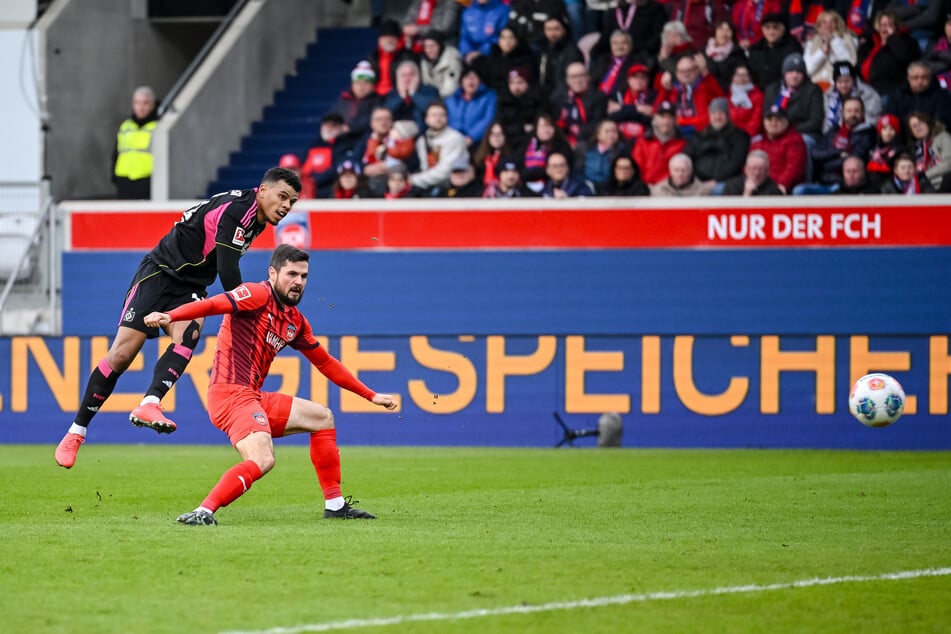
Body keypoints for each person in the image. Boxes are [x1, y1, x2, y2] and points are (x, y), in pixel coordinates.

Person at [54, 167, 303, 469]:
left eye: (292, 201)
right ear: (263, 190)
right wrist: (249, 310)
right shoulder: (240, 211)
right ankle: (76, 432)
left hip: (191, 286)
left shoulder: (256, 219)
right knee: (121, 355)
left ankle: (150, 403)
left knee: (189, 335)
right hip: (159, 273)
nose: (286, 206)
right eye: (282, 197)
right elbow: (227, 271)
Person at [143, 245, 398, 526]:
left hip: (252, 397)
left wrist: (370, 395)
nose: (298, 282)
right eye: (291, 274)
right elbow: (215, 304)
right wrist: (172, 316)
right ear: (273, 273)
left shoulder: (295, 321)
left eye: (303, 276)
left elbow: (325, 363)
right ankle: (203, 511)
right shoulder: (257, 294)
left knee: (322, 417)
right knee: (263, 458)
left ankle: (335, 506)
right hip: (229, 395)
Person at [654, 51, 725, 138]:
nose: (686, 74)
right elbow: (656, 112)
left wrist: (706, 74)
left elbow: (721, 102)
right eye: (681, 71)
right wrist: (664, 90)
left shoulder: (705, 86)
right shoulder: (671, 89)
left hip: (701, 134)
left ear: (697, 70)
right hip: (676, 133)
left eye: (690, 70)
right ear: (676, 73)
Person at [684, 97, 750, 187]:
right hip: (698, 182)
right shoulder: (698, 137)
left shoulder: (740, 137)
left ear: (727, 115)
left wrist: (717, 180)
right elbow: (687, 159)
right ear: (709, 115)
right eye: (714, 113)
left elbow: (736, 163)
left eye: (721, 113)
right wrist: (696, 180)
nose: (717, 117)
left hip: (726, 183)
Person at [858, 9, 922, 98]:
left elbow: (903, 55)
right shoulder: (870, 44)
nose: (887, 29)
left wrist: (892, 38)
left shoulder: (906, 41)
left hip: (890, 92)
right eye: (883, 25)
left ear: (896, 27)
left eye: (890, 25)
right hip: (866, 90)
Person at [409, 100, 469, 194]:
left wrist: (413, 179)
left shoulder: (455, 138)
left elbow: (445, 172)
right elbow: (424, 167)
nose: (438, 118)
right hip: (427, 186)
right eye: (434, 115)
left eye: (442, 115)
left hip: (450, 188)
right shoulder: (422, 140)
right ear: (426, 119)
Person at [327, 61, 384, 154]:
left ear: (373, 85)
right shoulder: (344, 99)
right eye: (358, 83)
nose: (361, 87)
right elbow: (332, 116)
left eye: (366, 83)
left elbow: (371, 119)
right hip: (341, 139)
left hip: (364, 140)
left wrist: (348, 128)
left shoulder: (378, 101)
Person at [113, 86, 158, 200]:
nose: (140, 108)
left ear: (153, 104)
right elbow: (116, 153)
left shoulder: (158, 127)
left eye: (145, 103)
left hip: (147, 182)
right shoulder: (126, 126)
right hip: (124, 181)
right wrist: (115, 177)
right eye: (137, 103)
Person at [749, 105, 807, 193]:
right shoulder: (757, 143)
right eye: (770, 119)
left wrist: (782, 184)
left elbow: (794, 169)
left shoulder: (795, 140)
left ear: (786, 122)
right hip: (759, 186)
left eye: (778, 120)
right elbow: (748, 167)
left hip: (781, 188)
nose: (773, 123)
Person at [552, 61, 608, 147]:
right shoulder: (558, 98)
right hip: (563, 142)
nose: (578, 80)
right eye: (573, 77)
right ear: (567, 80)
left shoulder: (598, 97)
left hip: (589, 141)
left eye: (581, 76)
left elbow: (597, 124)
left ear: (588, 77)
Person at [632, 101, 688, 186]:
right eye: (662, 117)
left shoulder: (683, 143)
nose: (666, 121)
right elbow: (636, 168)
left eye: (670, 117)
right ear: (655, 118)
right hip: (645, 187)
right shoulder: (642, 142)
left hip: (671, 189)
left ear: (675, 120)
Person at [885, 61, 951, 131]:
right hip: (904, 134)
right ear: (908, 78)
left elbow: (941, 121)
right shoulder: (897, 95)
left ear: (930, 78)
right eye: (915, 78)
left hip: (932, 134)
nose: (920, 81)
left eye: (924, 77)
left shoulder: (941, 95)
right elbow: (889, 119)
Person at [802, 9, 859, 90]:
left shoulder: (848, 40)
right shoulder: (811, 42)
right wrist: (823, 52)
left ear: (838, 24)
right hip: (815, 87)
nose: (828, 25)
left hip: (840, 87)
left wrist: (833, 40)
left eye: (832, 22)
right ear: (818, 27)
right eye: (824, 23)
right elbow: (807, 69)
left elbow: (849, 63)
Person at [822, 60, 883, 133]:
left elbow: (873, 120)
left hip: (862, 133)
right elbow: (825, 123)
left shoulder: (868, 94)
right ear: (835, 83)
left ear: (853, 80)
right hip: (834, 135)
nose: (843, 85)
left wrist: (849, 126)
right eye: (840, 82)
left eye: (847, 81)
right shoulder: (828, 95)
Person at [475, 24, 537, 94]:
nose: (507, 41)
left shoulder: (525, 60)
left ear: (517, 40)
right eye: (503, 37)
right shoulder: (492, 58)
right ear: (498, 41)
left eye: (511, 37)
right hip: (490, 95)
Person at [746, 13, 803, 89]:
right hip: (758, 92)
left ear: (784, 28)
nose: (771, 32)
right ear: (762, 29)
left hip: (785, 92)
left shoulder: (793, 48)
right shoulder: (755, 49)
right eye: (767, 27)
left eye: (775, 27)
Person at [446, 64, 498, 147]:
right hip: (452, 140)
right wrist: (454, 137)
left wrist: (472, 137)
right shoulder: (451, 99)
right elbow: (446, 120)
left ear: (480, 81)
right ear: (461, 82)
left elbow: (488, 119)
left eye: (474, 77)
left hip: (478, 141)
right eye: (467, 77)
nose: (470, 81)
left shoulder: (489, 97)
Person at [520, 112, 575, 190]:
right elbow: (519, 167)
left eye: (549, 126)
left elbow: (556, 171)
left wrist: (530, 173)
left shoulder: (562, 146)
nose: (546, 130)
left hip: (551, 188)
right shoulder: (528, 143)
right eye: (542, 126)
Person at [495, 65, 546, 151]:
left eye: (520, 82)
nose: (516, 86)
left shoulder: (537, 101)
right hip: (508, 144)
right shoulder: (503, 102)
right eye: (512, 83)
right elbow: (500, 123)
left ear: (528, 83)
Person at [383, 59, 441, 132]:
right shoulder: (392, 94)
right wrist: (401, 96)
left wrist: (413, 94)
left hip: (425, 131)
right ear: (397, 79)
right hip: (396, 131)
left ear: (418, 76)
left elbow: (430, 109)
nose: (407, 79)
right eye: (403, 75)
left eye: (411, 75)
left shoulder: (429, 90)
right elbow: (386, 113)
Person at [300, 113, 349, 199]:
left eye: (333, 125)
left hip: (330, 188)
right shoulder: (313, 145)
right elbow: (301, 164)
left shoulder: (344, 145)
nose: (329, 128)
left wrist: (314, 180)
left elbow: (336, 168)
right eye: (326, 125)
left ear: (342, 127)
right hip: (308, 187)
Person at [606, 63, 657, 144]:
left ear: (647, 80)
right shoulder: (619, 94)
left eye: (642, 77)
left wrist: (622, 109)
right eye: (635, 77)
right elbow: (612, 116)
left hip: (644, 139)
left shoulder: (653, 96)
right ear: (628, 80)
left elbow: (650, 119)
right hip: (619, 138)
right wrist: (638, 109)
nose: (638, 81)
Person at [575, 119, 630, 194]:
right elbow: (577, 171)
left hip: (611, 188)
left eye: (614, 131)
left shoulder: (622, 150)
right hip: (587, 186)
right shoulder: (584, 148)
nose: (611, 135)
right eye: (607, 131)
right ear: (598, 134)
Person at [538, 15, 585, 96]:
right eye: (548, 29)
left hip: (564, 96)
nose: (552, 33)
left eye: (556, 29)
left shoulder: (572, 52)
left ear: (564, 30)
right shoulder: (544, 50)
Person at [367, 19, 416, 97]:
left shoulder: (407, 57)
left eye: (392, 37)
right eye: (385, 36)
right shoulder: (372, 57)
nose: (389, 40)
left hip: (398, 96)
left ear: (398, 40)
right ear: (379, 40)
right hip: (375, 97)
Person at [907, 110, 951, 191]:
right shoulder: (914, 148)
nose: (918, 127)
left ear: (928, 123)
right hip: (923, 186)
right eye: (914, 126)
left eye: (920, 123)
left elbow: (949, 163)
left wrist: (925, 175)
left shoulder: (943, 137)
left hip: (942, 182)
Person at [704, 19, 748, 91]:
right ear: (715, 32)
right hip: (706, 89)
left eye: (728, 30)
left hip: (728, 91)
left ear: (732, 34)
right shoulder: (705, 50)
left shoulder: (737, 52)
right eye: (721, 29)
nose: (724, 34)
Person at [720, 149, 785, 196]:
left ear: (767, 171)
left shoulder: (774, 190)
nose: (757, 173)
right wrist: (747, 193)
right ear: (746, 169)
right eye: (753, 168)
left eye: (761, 169)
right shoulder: (732, 186)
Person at [866, 113, 904, 190]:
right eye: (884, 128)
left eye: (892, 129)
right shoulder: (872, 151)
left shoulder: (901, 151)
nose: (888, 133)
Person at [419, 32, 463, 98]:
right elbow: (426, 84)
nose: (429, 50)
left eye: (432, 46)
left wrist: (436, 99)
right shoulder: (424, 62)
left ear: (440, 46)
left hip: (449, 98)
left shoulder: (452, 59)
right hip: (432, 97)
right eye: (426, 47)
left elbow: (450, 88)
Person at [726, 62, 765, 137]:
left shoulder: (758, 96)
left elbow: (756, 121)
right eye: (738, 75)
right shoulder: (728, 95)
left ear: (750, 77)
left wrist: (744, 136)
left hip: (749, 136)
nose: (741, 78)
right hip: (729, 135)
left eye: (745, 75)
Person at [649, 152, 714, 196]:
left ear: (690, 171)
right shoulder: (658, 191)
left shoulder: (703, 191)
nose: (680, 174)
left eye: (684, 170)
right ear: (670, 171)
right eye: (676, 170)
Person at [472, 120, 514, 187]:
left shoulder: (511, 156)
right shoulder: (479, 156)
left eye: (499, 134)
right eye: (493, 134)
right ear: (488, 136)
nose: (496, 137)